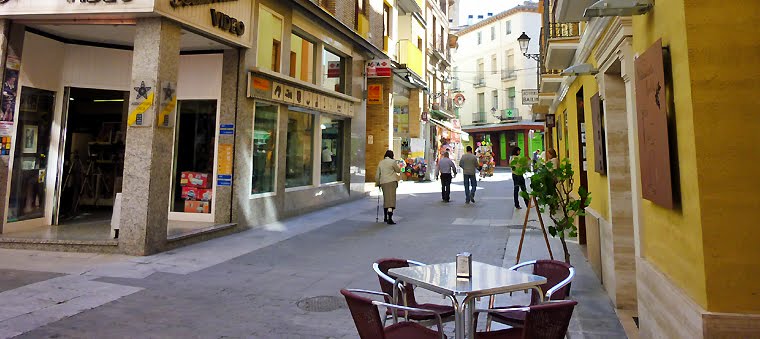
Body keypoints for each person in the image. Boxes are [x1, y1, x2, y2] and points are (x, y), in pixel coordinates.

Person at [376, 150, 401, 224]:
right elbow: (398, 170)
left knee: (386, 199)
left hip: (383, 182)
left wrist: (378, 183)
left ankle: (385, 217)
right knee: (391, 200)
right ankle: (390, 218)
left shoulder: (381, 162)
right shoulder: (393, 162)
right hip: (392, 182)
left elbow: (378, 175)